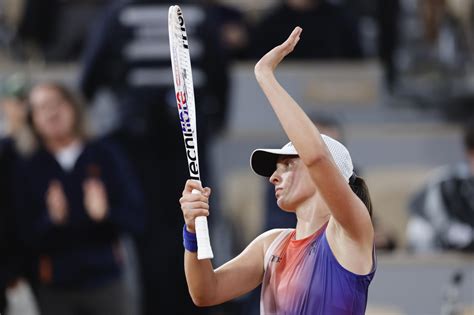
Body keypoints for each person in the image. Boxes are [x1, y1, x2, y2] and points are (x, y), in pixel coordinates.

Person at [179, 27, 376, 314]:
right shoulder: (271, 243)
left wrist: (265, 75)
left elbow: (317, 158)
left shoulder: (351, 231)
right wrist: (192, 231)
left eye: (287, 164)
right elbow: (206, 292)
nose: (273, 176)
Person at [13, 82, 144, 315]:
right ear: (32, 118)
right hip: (54, 286)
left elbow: (137, 217)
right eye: (42, 108)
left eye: (57, 104)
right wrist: (51, 219)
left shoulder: (105, 153)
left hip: (106, 281)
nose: (51, 113)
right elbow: (20, 233)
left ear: (73, 106)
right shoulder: (27, 164)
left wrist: (105, 214)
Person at [407, 117, 474, 253]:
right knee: (418, 228)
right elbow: (445, 229)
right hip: (441, 265)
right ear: (470, 153)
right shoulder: (445, 183)